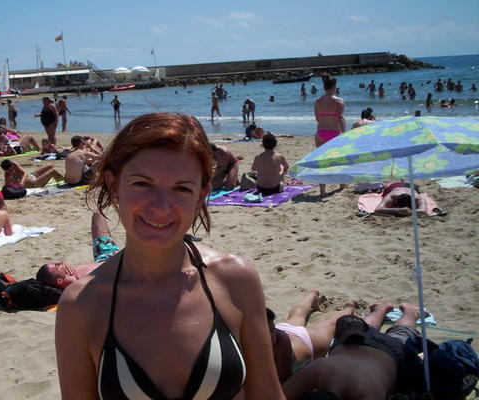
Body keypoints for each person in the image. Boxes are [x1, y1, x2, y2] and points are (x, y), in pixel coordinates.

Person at [55, 113, 285, 399]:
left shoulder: (234, 279)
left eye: (182, 188)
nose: (161, 207)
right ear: (114, 186)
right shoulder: (81, 304)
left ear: (200, 195)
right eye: (143, 184)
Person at [283, 302, 421, 400]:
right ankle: (384, 309)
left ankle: (409, 312)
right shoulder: (320, 368)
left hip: (389, 353)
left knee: (402, 332)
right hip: (354, 342)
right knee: (369, 328)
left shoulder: (367, 394)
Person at [267, 291, 357, 383]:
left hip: (303, 341)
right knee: (297, 316)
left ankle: (349, 309)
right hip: (282, 330)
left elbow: (281, 383)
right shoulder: (269, 337)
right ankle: (312, 295)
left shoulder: (281, 347)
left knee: (329, 325)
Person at [36, 212, 120, 289]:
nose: (59, 263)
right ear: (59, 281)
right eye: (56, 266)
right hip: (120, 265)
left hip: (104, 257)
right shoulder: (81, 286)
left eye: (55, 263)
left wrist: (62, 265)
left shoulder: (67, 271)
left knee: (98, 213)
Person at [314, 74, 346, 196]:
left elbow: (317, 118)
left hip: (321, 132)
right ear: (335, 86)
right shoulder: (339, 101)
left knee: (322, 162)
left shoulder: (318, 101)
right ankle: (341, 184)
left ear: (324, 87)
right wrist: (345, 133)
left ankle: (322, 191)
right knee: (339, 160)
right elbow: (340, 118)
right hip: (334, 133)